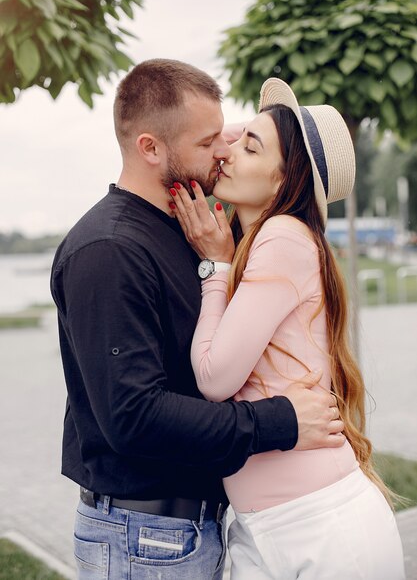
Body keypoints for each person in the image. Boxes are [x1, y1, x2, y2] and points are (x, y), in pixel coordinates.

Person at [50, 60, 345, 580]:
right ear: (150, 148)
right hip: (141, 536)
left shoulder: (185, 226)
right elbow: (133, 415)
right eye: (209, 142)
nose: (225, 151)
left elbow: (228, 146)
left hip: (182, 531)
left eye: (227, 136)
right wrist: (278, 422)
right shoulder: (110, 249)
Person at [168, 78, 405, 580]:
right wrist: (241, 137)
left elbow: (214, 378)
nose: (226, 152)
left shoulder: (281, 237)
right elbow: (216, 143)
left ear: (283, 181)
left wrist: (216, 269)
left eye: (249, 146)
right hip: (270, 524)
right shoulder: (272, 238)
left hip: (320, 528)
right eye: (232, 142)